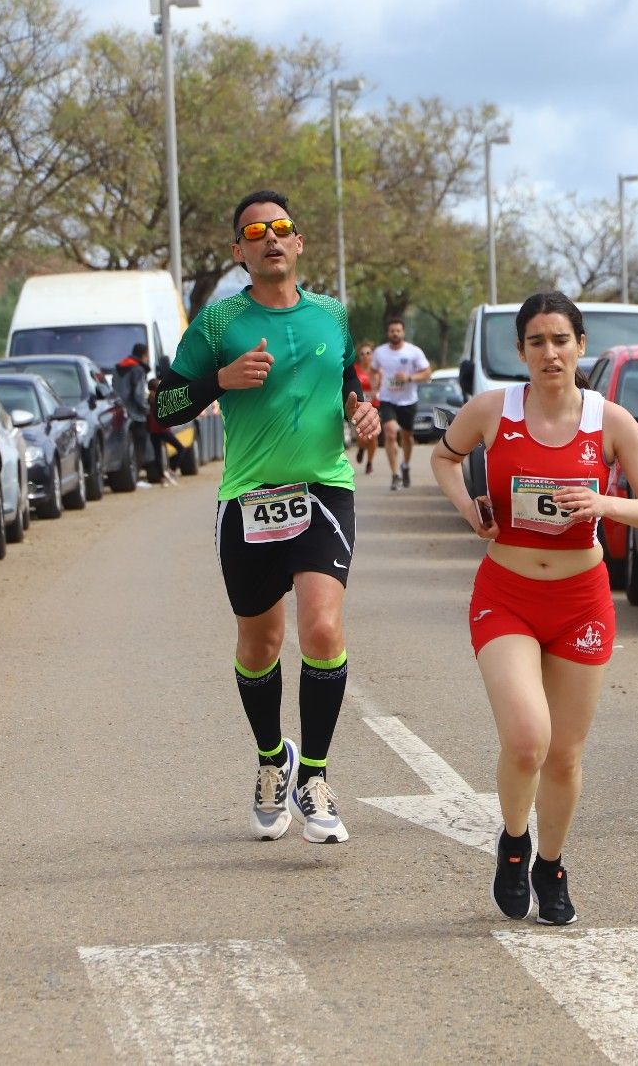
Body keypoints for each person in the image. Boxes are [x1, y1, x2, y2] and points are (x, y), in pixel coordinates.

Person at [432, 291, 638, 925]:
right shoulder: (493, 410)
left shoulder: (611, 422)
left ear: (580, 346)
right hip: (507, 595)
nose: (549, 352)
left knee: (564, 753)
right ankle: (514, 845)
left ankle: (551, 862)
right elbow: (444, 455)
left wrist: (606, 507)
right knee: (526, 739)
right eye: (536, 341)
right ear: (519, 351)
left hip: (582, 600)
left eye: (560, 340)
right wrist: (468, 507)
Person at [152, 189, 381, 844]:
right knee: (261, 645)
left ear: (299, 242)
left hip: (322, 492)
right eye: (256, 232)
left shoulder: (333, 315)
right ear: (239, 252)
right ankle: (269, 757)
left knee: (323, 627)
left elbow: (348, 386)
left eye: (282, 227)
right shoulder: (220, 323)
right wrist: (217, 380)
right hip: (248, 501)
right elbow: (163, 410)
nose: (270, 239)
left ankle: (313, 774)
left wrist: (362, 412)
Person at [370, 318, 430, 490]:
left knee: (407, 437)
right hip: (388, 399)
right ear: (387, 333)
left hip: (408, 400)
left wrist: (410, 378)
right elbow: (373, 370)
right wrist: (375, 387)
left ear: (403, 332)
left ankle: (405, 466)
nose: (395, 333)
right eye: (392, 331)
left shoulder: (414, 352)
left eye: (398, 331)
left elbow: (427, 372)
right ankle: (395, 474)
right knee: (390, 433)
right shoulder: (380, 352)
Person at [115, 343, 155, 482]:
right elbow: (138, 394)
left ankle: (129, 476)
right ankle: (135, 477)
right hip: (136, 416)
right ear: (144, 355)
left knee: (126, 448)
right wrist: (146, 409)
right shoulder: (137, 370)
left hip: (120, 414)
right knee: (139, 447)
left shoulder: (119, 367)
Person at [150, 355, 190, 473]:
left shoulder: (148, 399)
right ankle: (172, 469)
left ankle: (162, 476)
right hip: (163, 429)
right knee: (180, 448)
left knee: (158, 454)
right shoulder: (161, 398)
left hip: (153, 431)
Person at [351, 342, 379, 474]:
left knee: (372, 437)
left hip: (375, 407)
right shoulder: (355, 369)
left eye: (368, 353)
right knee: (362, 437)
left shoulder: (377, 371)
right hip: (359, 408)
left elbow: (382, 387)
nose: (365, 356)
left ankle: (369, 463)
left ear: (372, 355)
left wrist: (376, 392)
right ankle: (361, 447)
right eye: (362, 354)